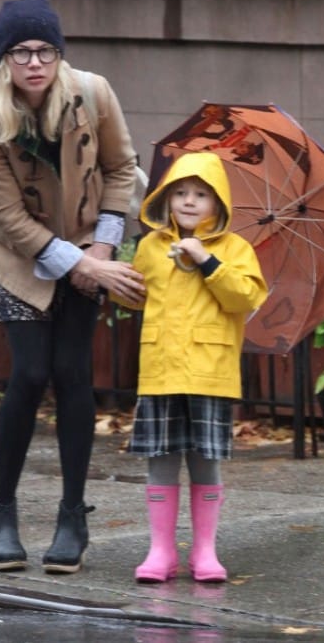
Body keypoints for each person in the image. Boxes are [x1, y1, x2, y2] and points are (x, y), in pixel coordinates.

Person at [0, 0, 145, 574]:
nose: (35, 62)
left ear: (59, 54)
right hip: (19, 257)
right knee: (30, 374)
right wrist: (82, 266)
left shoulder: (93, 92)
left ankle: (71, 516)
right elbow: (7, 215)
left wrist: (101, 250)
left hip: (90, 245)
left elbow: (121, 169)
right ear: (3, 59)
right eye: (21, 52)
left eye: (45, 50)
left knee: (74, 375)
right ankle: (1, 512)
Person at [111, 151, 268, 583]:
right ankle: (161, 551)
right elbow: (136, 296)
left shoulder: (236, 249)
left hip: (209, 371)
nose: (189, 201)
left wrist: (207, 261)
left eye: (201, 194)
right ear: (166, 199)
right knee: (160, 458)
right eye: (180, 192)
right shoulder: (152, 246)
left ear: (218, 204)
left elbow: (244, 298)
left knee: (205, 460)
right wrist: (119, 283)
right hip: (161, 369)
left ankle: (205, 552)